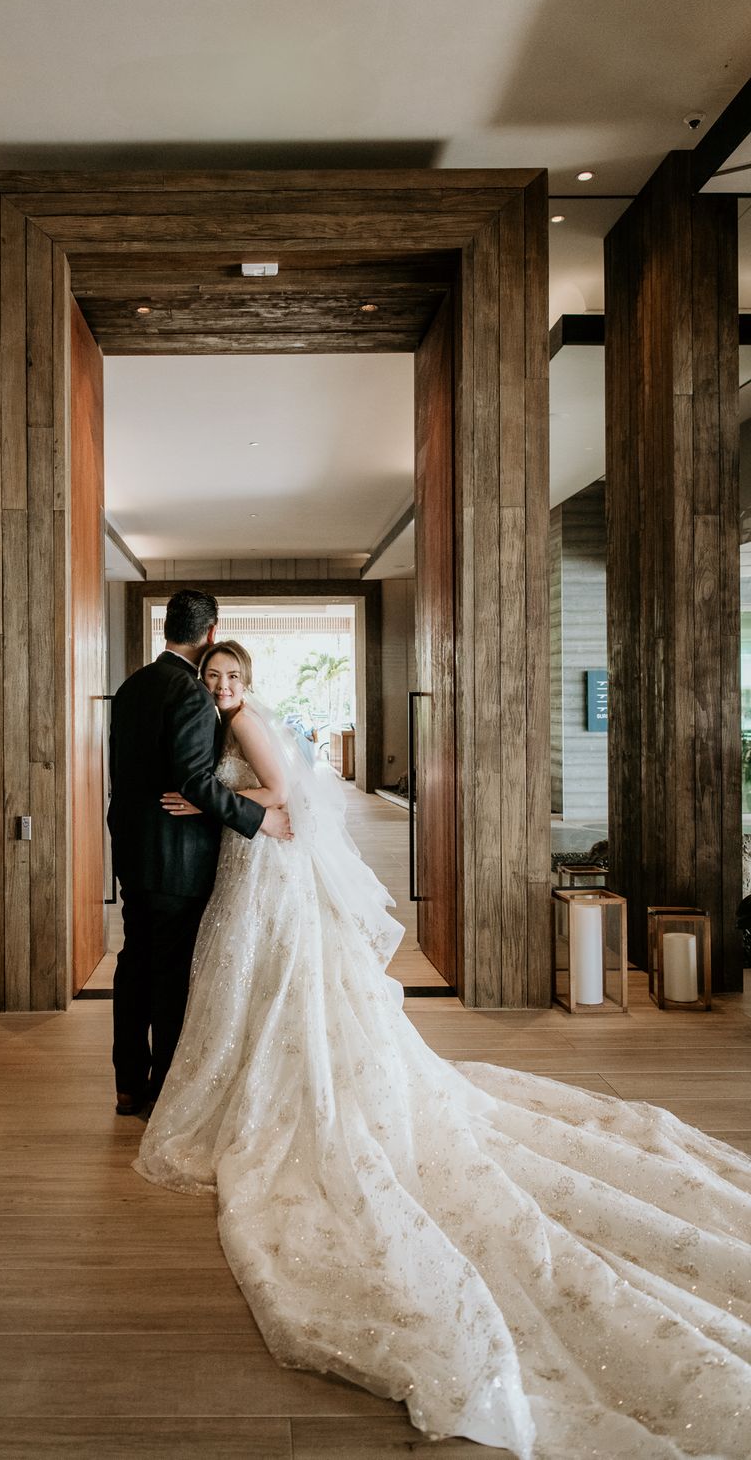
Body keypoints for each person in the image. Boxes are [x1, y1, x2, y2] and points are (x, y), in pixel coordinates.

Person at [138, 642, 751, 1460]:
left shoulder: (243, 720)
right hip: (254, 860)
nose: (222, 687)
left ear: (247, 682)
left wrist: (223, 801)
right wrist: (206, 798)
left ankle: (273, 1082)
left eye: (232, 676)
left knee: (281, 980)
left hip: (266, 865)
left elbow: (282, 796)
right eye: (215, 677)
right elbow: (256, 794)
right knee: (265, 985)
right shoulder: (222, 718)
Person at [107, 593, 291, 1118]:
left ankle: (127, 1083)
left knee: (134, 964)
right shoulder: (189, 694)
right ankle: (164, 1087)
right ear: (211, 632)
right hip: (176, 858)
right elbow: (193, 782)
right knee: (169, 973)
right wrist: (261, 819)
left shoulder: (132, 686)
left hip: (133, 851)